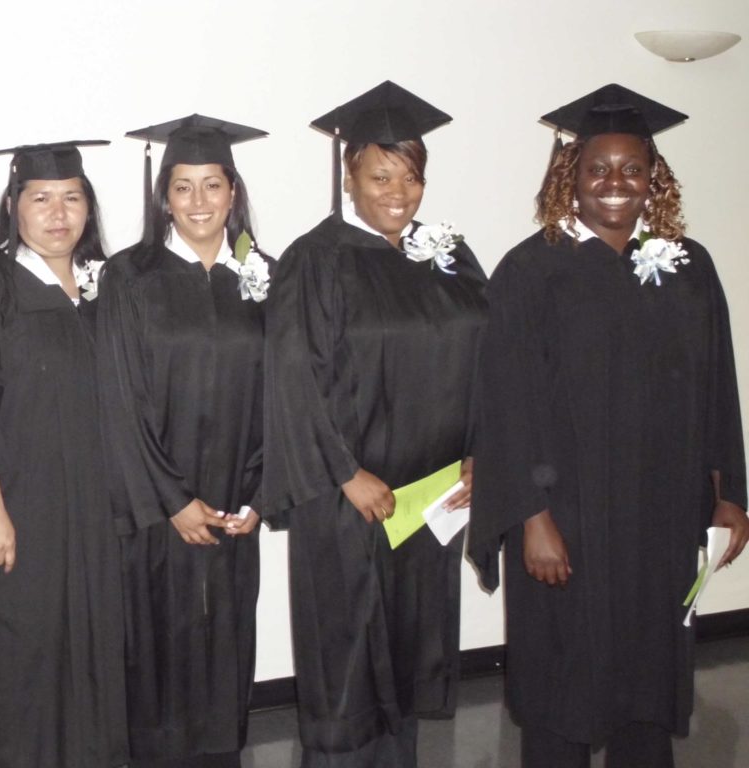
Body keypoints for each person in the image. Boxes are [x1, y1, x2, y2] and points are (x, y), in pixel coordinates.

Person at [468, 83, 749, 768]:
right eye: (599, 168)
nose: (615, 183)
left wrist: (731, 494)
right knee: (564, 693)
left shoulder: (688, 267)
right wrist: (530, 518)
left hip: (659, 523)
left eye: (632, 168)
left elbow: (718, 389)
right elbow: (502, 406)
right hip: (567, 523)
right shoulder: (530, 271)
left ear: (654, 176)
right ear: (573, 175)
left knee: (646, 696)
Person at [262, 81, 488, 767]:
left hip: (429, 502)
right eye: (380, 175)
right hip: (351, 504)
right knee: (350, 665)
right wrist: (344, 473)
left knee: (406, 658)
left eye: (411, 176)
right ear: (349, 175)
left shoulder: (447, 255)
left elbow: (490, 356)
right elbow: (293, 377)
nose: (399, 192)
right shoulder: (317, 259)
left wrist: (482, 452)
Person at [0, 141, 128, 768]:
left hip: (91, 512)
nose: (58, 213)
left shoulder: (105, 286)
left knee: (89, 650)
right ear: (13, 206)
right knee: (20, 654)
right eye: (40, 198)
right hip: (16, 507)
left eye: (72, 198)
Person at [97, 114, 270, 767]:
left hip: (234, 504)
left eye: (212, 185)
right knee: (157, 657)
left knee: (225, 648)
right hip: (156, 513)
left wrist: (258, 494)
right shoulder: (130, 278)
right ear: (162, 196)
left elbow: (285, 395)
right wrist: (170, 500)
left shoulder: (264, 275)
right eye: (183, 187)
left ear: (233, 191)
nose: (199, 202)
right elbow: (120, 400)